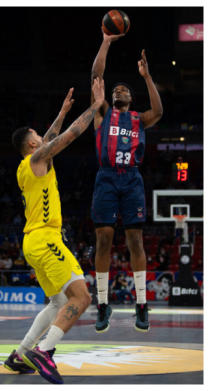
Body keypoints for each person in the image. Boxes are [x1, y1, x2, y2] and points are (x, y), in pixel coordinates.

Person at [4, 78, 105, 384]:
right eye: (38, 136)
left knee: (57, 303)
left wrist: (60, 113)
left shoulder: (27, 164)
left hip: (32, 242)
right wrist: (95, 107)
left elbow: (51, 136)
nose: (42, 137)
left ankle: (20, 354)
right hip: (47, 239)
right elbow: (71, 136)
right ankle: (44, 352)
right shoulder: (38, 158)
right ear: (33, 145)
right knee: (81, 298)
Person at [90, 31, 163, 333]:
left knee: (135, 241)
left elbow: (158, 111)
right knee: (104, 239)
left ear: (131, 98)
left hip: (131, 179)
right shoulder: (102, 112)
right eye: (115, 89)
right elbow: (96, 74)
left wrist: (146, 77)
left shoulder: (138, 119)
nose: (118, 90)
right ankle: (104, 304)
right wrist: (106, 41)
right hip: (107, 178)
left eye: (124, 89)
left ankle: (142, 305)